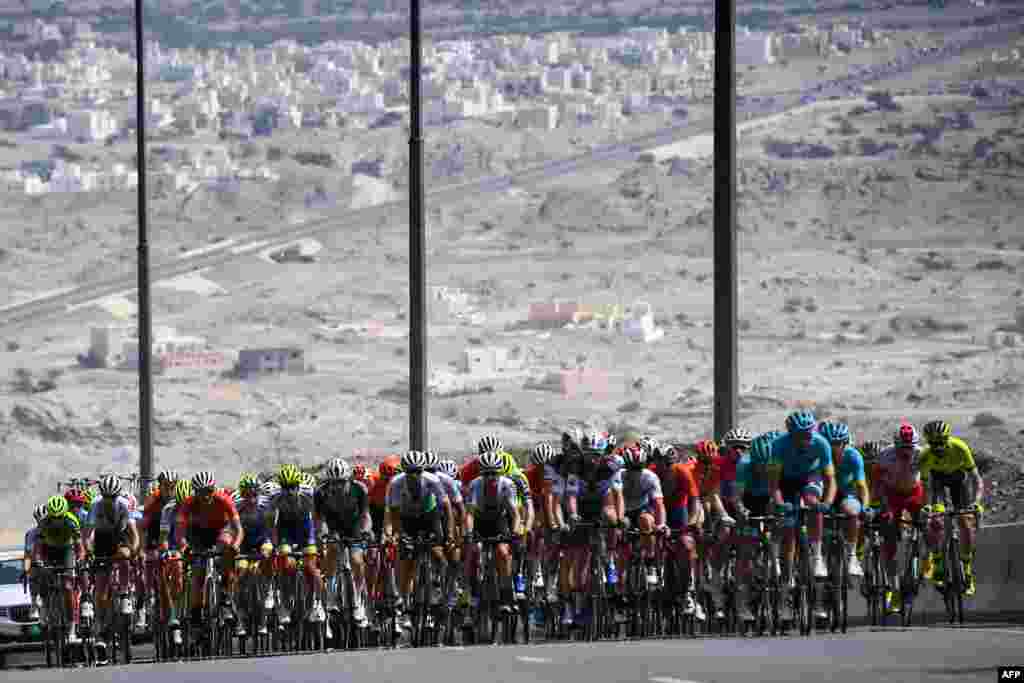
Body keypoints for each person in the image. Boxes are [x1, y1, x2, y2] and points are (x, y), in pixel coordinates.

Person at [771, 410, 837, 624]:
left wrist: (826, 502)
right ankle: (787, 582)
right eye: (803, 434)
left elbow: (830, 478)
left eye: (810, 432)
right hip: (786, 482)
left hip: (811, 478)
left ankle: (817, 556)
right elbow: (774, 484)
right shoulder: (779, 445)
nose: (808, 437)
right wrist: (780, 504)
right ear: (792, 434)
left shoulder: (821, 443)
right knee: (789, 529)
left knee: (813, 503)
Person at [383, 451, 453, 629]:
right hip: (407, 519)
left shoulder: (432, 480)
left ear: (422, 471)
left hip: (430, 517)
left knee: (438, 553)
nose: (414, 475)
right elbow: (392, 514)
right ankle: (405, 604)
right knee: (406, 558)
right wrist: (392, 534)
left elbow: (447, 508)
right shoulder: (396, 483)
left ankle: (438, 586)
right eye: (410, 472)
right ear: (404, 472)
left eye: (418, 471)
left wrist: (449, 534)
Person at [919, 420, 985, 596]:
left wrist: (977, 502)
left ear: (947, 439)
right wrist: (926, 506)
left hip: (959, 483)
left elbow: (976, 479)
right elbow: (925, 487)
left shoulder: (960, 448)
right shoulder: (925, 456)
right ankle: (938, 562)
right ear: (928, 442)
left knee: (965, 522)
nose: (938, 447)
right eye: (933, 443)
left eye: (941, 442)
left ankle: (968, 572)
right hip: (937, 483)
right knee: (937, 519)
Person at [176, 471, 243, 628]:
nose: (205, 496)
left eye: (209, 491)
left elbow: (238, 529)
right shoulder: (188, 503)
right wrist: (183, 545)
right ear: (195, 492)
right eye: (201, 492)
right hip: (198, 534)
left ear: (214, 489)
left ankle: (226, 596)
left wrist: (235, 545)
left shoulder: (224, 500)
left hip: (221, 530)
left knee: (226, 545)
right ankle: (196, 612)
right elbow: (180, 531)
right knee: (198, 573)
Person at [872, 423, 925, 614]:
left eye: (910, 447)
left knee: (932, 521)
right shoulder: (886, 456)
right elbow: (876, 482)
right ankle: (894, 590)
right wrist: (879, 504)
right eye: (903, 448)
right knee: (889, 536)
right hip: (892, 495)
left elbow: (929, 478)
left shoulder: (921, 454)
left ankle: (930, 562)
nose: (907, 451)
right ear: (895, 445)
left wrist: (932, 503)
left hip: (914, 492)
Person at [315, 458, 373, 630]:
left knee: (356, 560)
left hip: (354, 525)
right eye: (334, 483)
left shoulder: (359, 489)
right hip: (333, 526)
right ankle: (331, 595)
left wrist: (366, 531)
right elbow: (320, 519)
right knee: (332, 551)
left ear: (348, 479)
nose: (338, 486)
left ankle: (358, 600)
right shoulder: (321, 492)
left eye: (341, 482)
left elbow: (365, 516)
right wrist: (323, 534)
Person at [463, 450, 521, 615]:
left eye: (494, 473)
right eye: (487, 474)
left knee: (503, 553)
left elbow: (515, 514)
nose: (491, 478)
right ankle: (472, 592)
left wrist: (515, 532)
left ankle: (505, 595)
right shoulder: (475, 485)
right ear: (482, 474)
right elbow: (470, 514)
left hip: (498, 521)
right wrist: (468, 533)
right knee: (474, 551)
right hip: (480, 520)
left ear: (500, 472)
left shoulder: (507, 485)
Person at [34, 496, 86, 644]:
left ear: (65, 513)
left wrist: (81, 558)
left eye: (60, 517)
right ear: (49, 515)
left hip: (66, 549)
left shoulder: (71, 521)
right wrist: (38, 561)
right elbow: (38, 548)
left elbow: (79, 545)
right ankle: (43, 608)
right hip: (49, 549)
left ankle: (71, 629)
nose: (57, 520)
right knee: (43, 573)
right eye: (54, 517)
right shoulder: (44, 523)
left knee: (68, 587)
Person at [818, 422, 867, 577]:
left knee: (853, 512)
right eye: (829, 444)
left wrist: (864, 508)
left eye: (837, 444)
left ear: (845, 443)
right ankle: (815, 557)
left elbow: (862, 486)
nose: (833, 448)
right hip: (823, 494)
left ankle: (852, 556)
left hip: (846, 494)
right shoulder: (817, 455)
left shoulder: (853, 456)